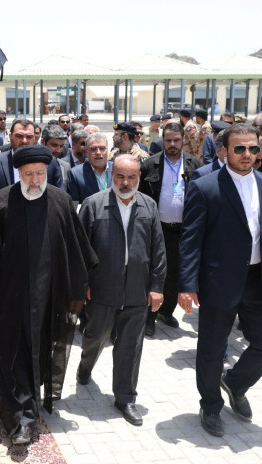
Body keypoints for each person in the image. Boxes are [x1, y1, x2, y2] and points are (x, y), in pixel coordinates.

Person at [0, 145, 95, 444]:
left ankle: (31, 403)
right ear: (18, 172)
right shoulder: (2, 200)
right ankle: (24, 418)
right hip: (10, 297)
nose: (34, 180)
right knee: (14, 352)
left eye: (39, 173)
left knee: (40, 351)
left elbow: (77, 248)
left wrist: (79, 288)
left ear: (48, 173)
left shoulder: (60, 199)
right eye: (28, 173)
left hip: (49, 297)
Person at [178, 123, 262, 437]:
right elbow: (190, 240)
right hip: (219, 282)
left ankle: (236, 383)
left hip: (256, 280)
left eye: (253, 148)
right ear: (224, 150)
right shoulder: (205, 186)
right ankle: (211, 406)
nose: (247, 155)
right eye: (239, 148)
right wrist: (187, 285)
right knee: (212, 350)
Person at [76, 155, 166, 426]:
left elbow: (158, 250)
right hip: (102, 288)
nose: (125, 183)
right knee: (96, 337)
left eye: (131, 177)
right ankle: (85, 366)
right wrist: (83, 285)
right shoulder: (93, 205)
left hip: (137, 290)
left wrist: (157, 287)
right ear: (111, 175)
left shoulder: (149, 206)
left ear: (139, 177)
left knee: (131, 346)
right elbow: (80, 251)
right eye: (120, 177)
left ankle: (125, 398)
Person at [138, 121, 202, 336]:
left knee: (176, 272)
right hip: (157, 230)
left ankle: (166, 311)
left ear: (183, 139)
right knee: (155, 272)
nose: (172, 144)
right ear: (162, 141)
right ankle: (149, 317)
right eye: (168, 140)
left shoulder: (196, 165)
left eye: (176, 140)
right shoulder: (149, 165)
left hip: (184, 231)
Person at [0, 118, 63, 237]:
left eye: (29, 137)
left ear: (36, 138)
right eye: (19, 136)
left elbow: (59, 201)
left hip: (42, 234)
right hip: (4, 235)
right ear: (10, 136)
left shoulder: (51, 163)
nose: (24, 141)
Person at [67, 133, 113, 207]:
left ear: (107, 150)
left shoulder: (117, 169)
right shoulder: (76, 173)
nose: (98, 152)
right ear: (86, 152)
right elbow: (74, 205)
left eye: (102, 148)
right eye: (93, 149)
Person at [41, 125, 70, 190]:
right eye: (54, 145)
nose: (58, 150)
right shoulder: (31, 164)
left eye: (61, 146)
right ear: (43, 142)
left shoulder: (66, 167)